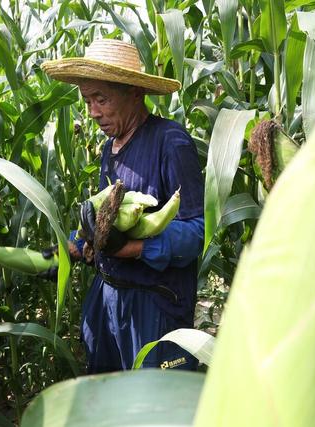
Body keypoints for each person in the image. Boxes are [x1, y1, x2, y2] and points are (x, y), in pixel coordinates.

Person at [41, 38, 205, 373]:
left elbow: (198, 233)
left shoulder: (170, 143)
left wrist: (132, 247)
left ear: (134, 92)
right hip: (108, 300)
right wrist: (75, 245)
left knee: (155, 408)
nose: (92, 112)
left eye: (101, 99)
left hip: (154, 306)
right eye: (87, 100)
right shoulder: (109, 149)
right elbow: (110, 220)